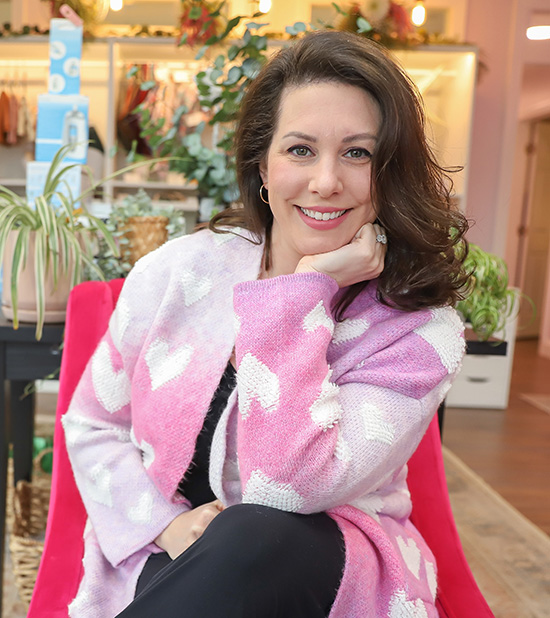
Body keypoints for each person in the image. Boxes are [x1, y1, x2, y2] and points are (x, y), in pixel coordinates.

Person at [62, 30, 469, 618]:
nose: (326, 181)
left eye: (357, 153)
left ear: (389, 171)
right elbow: (93, 423)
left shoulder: (418, 330)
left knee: (255, 532)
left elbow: (291, 486)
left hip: (321, 569)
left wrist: (301, 292)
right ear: (263, 164)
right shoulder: (178, 272)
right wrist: (168, 527)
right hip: (171, 553)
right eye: (300, 150)